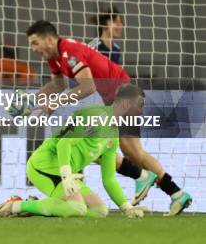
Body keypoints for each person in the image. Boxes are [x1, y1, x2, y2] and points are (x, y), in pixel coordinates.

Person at [19, 20, 192, 216]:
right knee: (101, 150)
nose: (32, 49)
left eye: (35, 43)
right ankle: (155, 182)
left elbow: (88, 87)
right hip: (115, 99)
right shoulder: (55, 57)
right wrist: (31, 102)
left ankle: (168, 189)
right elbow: (57, 86)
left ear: (49, 39)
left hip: (124, 96)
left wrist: (55, 104)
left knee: (131, 152)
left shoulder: (69, 53)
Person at [0, 84, 146, 219]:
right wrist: (66, 174)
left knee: (100, 211)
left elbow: (109, 179)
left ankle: (39, 205)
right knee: (77, 208)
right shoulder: (96, 116)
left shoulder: (113, 135)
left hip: (65, 173)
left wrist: (126, 207)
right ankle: (15, 206)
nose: (141, 111)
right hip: (44, 165)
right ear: (125, 104)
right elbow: (64, 143)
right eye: (140, 105)